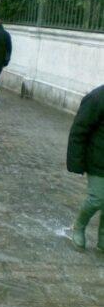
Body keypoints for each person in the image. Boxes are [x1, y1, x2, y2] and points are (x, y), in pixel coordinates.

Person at [67, 84, 104, 251]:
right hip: (98, 159)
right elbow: (79, 129)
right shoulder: (97, 97)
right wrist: (76, 161)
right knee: (98, 197)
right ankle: (79, 226)